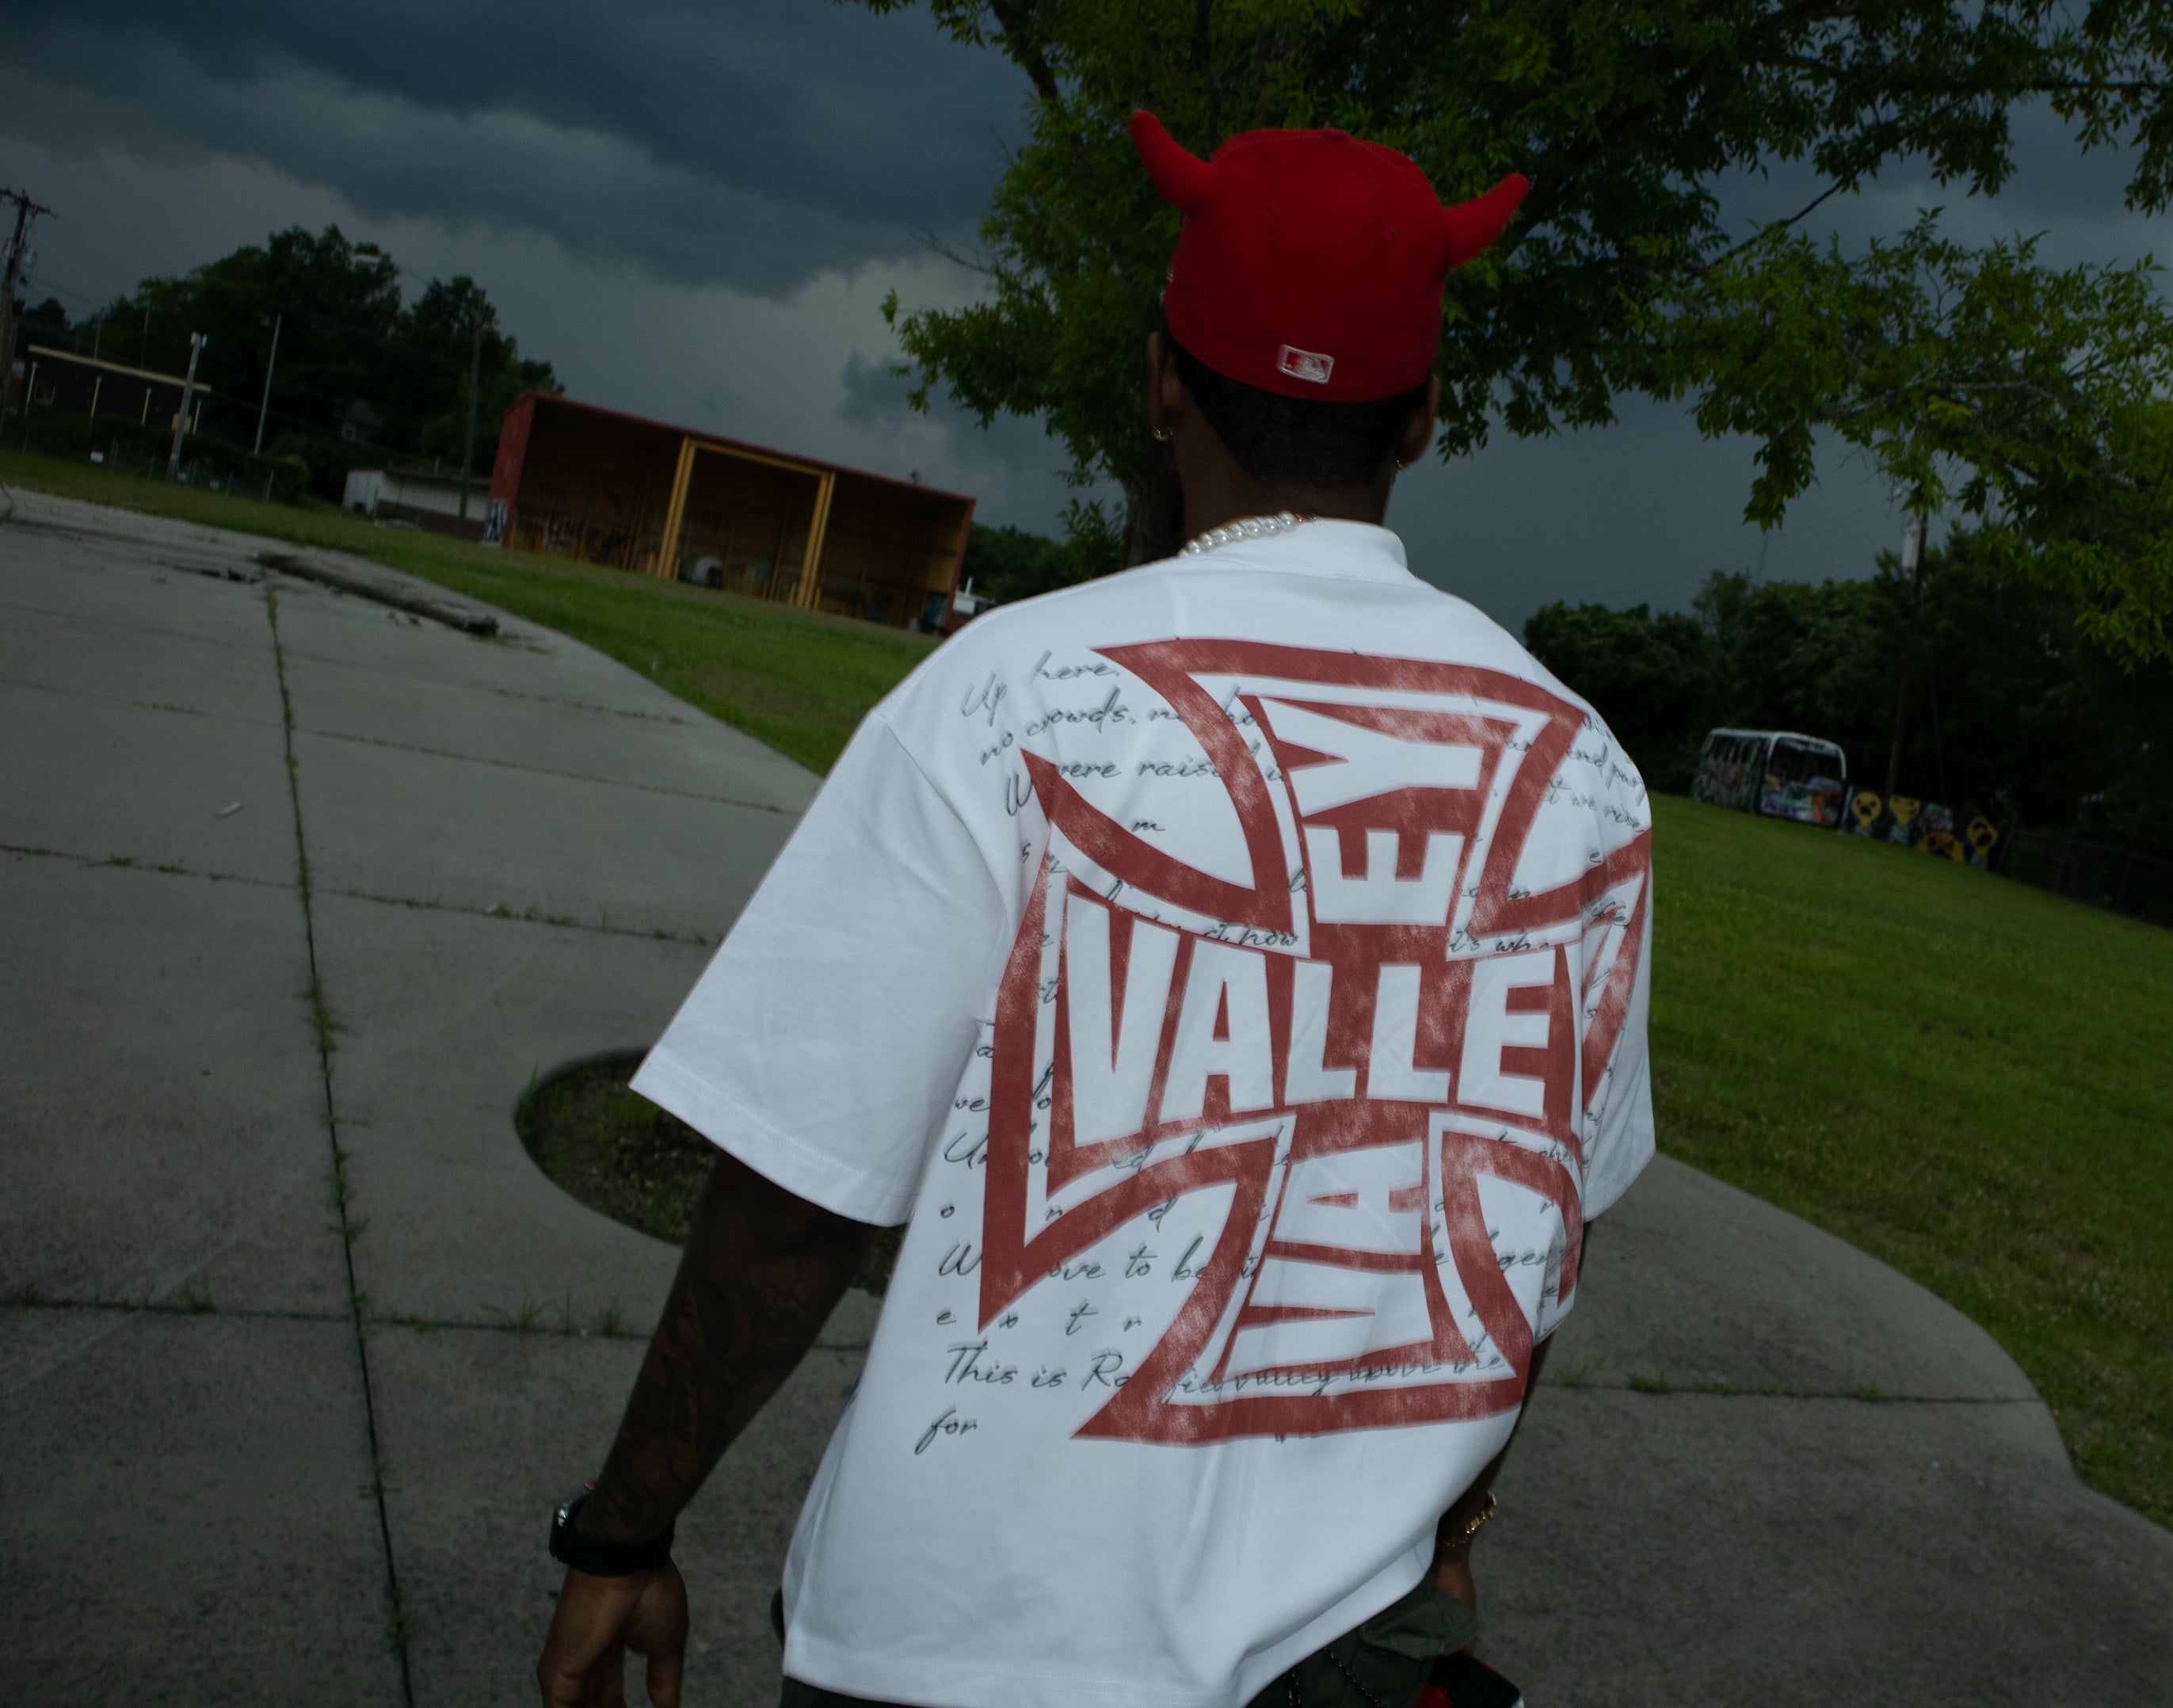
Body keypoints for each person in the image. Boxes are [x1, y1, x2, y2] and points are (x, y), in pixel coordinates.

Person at [536, 111, 1657, 1708]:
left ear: (1159, 382)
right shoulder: (1589, 776)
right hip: (1354, 1656)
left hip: (958, 1648)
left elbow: (791, 1210)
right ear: (1423, 419)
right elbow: (1538, 1240)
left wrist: (624, 1529)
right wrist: (1449, 1525)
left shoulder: (1003, 694)